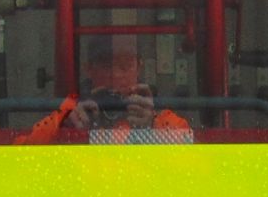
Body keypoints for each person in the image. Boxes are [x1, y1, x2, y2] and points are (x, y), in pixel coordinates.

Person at [16, 50, 191, 144]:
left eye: (124, 67)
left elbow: (194, 158)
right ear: (89, 69)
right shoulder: (69, 113)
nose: (115, 75)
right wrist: (65, 128)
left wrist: (152, 127)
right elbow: (22, 156)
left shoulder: (160, 117)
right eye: (106, 66)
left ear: (138, 68)